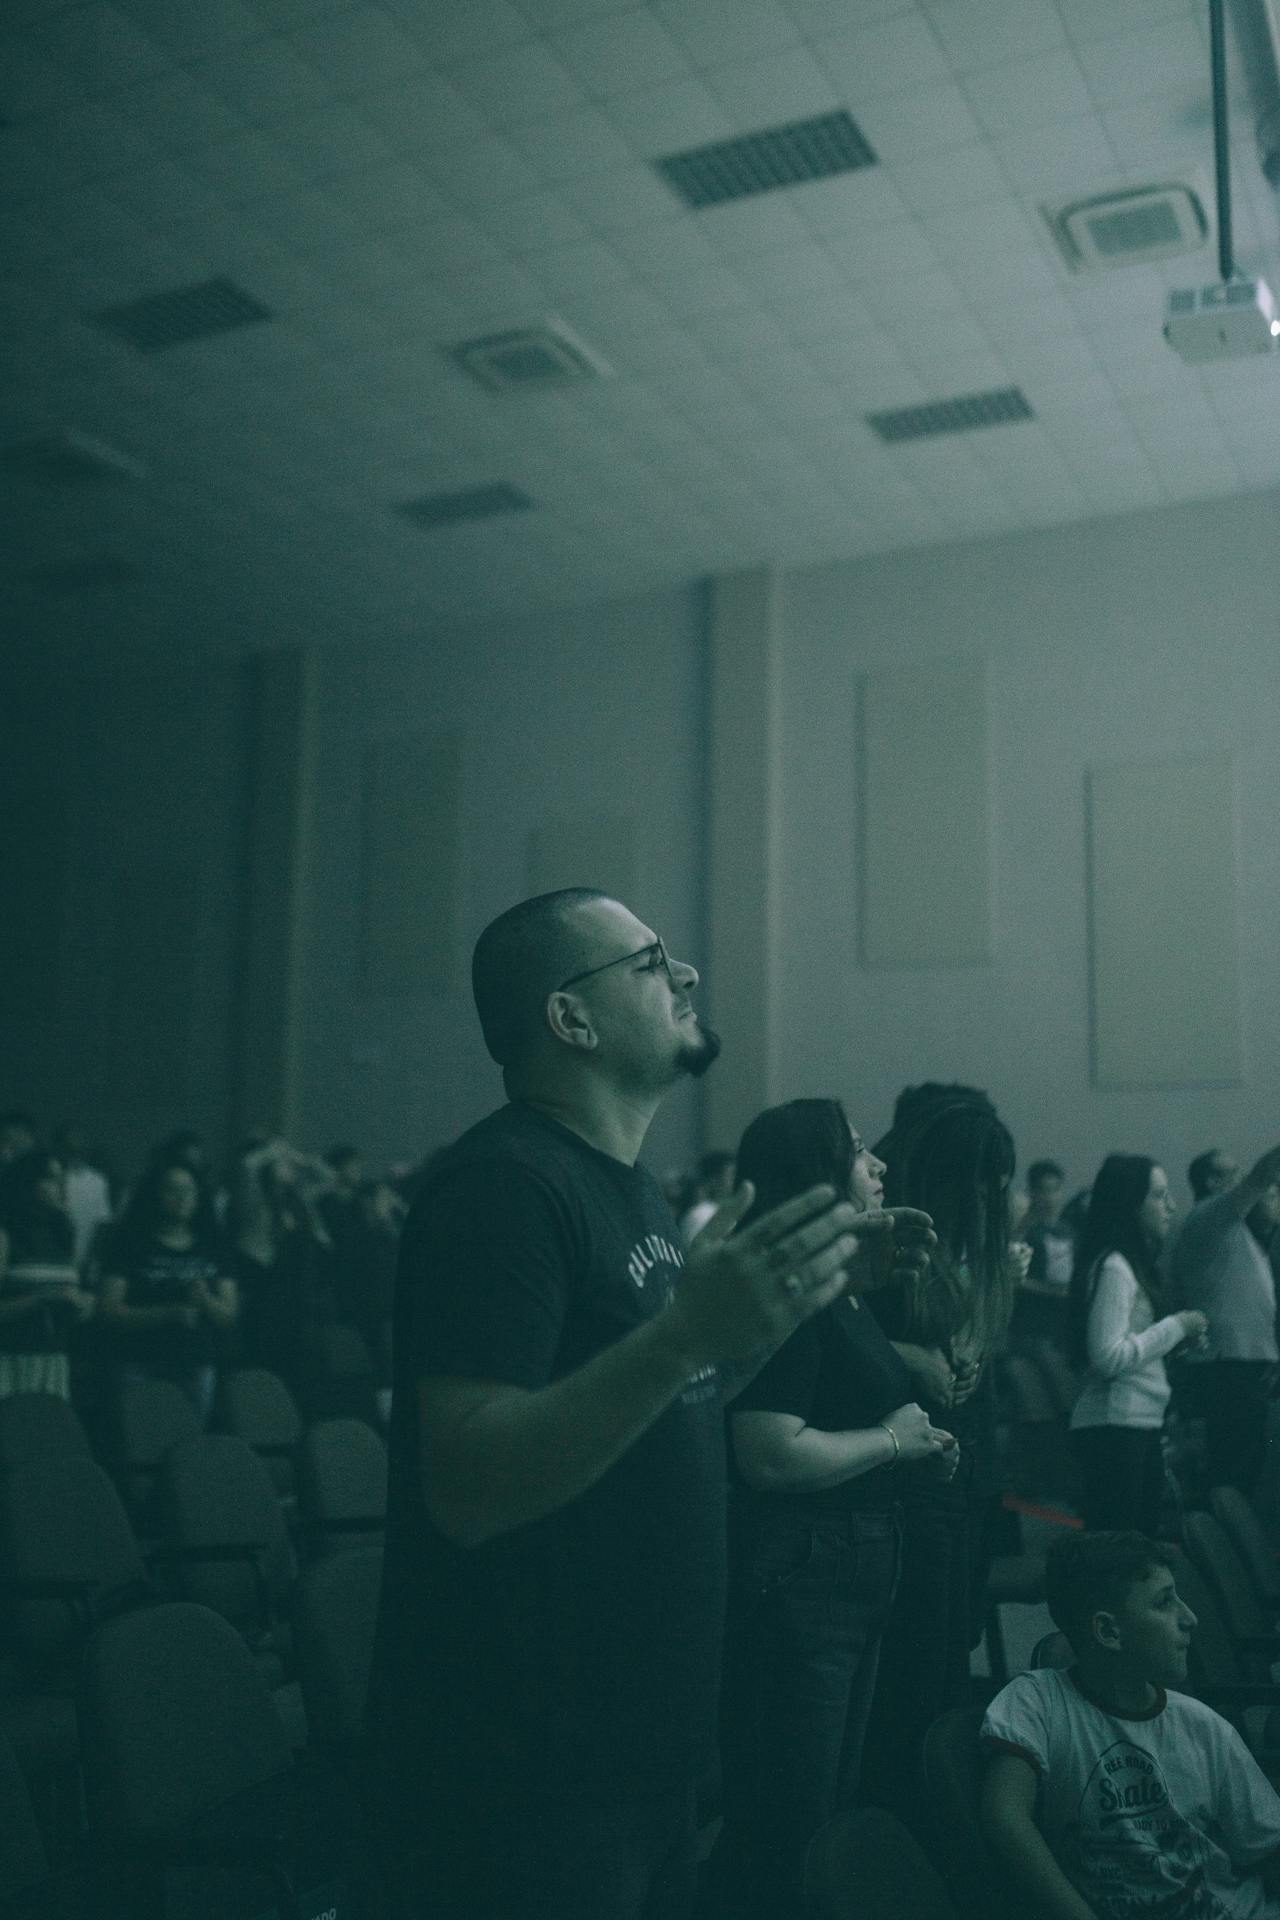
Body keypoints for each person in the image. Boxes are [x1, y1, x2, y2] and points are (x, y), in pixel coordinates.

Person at [365, 890, 933, 1920]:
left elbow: (678, 1398)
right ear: (570, 1019)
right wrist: (683, 1335)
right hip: (526, 1770)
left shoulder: (628, 1191)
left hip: (642, 1746)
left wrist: (790, 1303)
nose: (686, 973)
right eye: (648, 961)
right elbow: (465, 1483)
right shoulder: (503, 1189)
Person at [715, 1098, 956, 1920]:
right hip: (807, 1570)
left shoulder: (841, 1287)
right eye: (857, 1151)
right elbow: (768, 1452)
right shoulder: (789, 1292)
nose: (878, 1163)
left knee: (825, 1812)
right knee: (790, 1818)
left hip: (853, 1561)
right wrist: (890, 1442)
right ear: (816, 1176)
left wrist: (915, 1442)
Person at [860, 1083, 1019, 1818]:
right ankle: (907, 1828)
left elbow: (960, 1335)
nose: (987, 1200)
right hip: (907, 1480)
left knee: (949, 1650)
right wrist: (909, 1358)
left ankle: (934, 1817)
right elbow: (817, 1335)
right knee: (917, 1670)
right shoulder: (885, 1232)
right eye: (978, 1185)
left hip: (959, 1473)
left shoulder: (953, 1234)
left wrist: (966, 1345)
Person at [981, 1529, 1280, 1919]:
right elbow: (1005, 1816)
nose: (1189, 1618)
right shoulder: (1037, 1702)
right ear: (1108, 1631)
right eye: (1164, 1602)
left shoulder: (1204, 1727)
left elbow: (1267, 1849)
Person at [1067, 1155, 1206, 1534]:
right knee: (1120, 1548)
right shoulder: (1115, 1266)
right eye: (1159, 1196)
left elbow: (1129, 1347)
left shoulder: (1129, 1264)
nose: (1171, 1206)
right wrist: (1176, 1326)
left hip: (1133, 1422)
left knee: (1135, 1543)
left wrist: (1174, 1343)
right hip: (1114, 1424)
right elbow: (1107, 1356)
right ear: (1129, 1204)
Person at [1167, 1141, 1280, 1494]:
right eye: (1233, 1171)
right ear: (1212, 1181)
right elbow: (1263, 1174)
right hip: (1228, 1363)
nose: (1242, 1176)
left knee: (1243, 1460)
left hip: (1238, 1361)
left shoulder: (1231, 1229)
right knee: (1234, 1466)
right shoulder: (1210, 1217)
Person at [99, 1157, 238, 1421]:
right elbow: (107, 1310)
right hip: (138, 1360)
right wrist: (169, 1313)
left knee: (191, 1439)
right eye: (172, 1190)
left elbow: (229, 1316)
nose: (182, 1198)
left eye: (189, 1190)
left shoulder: (213, 1246)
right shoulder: (129, 1244)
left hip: (196, 1362)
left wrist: (206, 1299)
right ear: (155, 1194)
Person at [0, 1149, 95, 1400]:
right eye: (52, 1178)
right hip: (10, 1357)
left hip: (54, 1357)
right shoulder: (6, 1235)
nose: (62, 1186)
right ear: (27, 1184)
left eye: (63, 1178)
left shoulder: (63, 1234)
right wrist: (41, 1300)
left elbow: (71, 1293)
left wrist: (83, 1304)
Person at [677, 1150, 736, 1243]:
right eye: (732, 1175)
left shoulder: (723, 1211)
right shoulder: (701, 1215)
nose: (736, 1180)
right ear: (714, 1179)